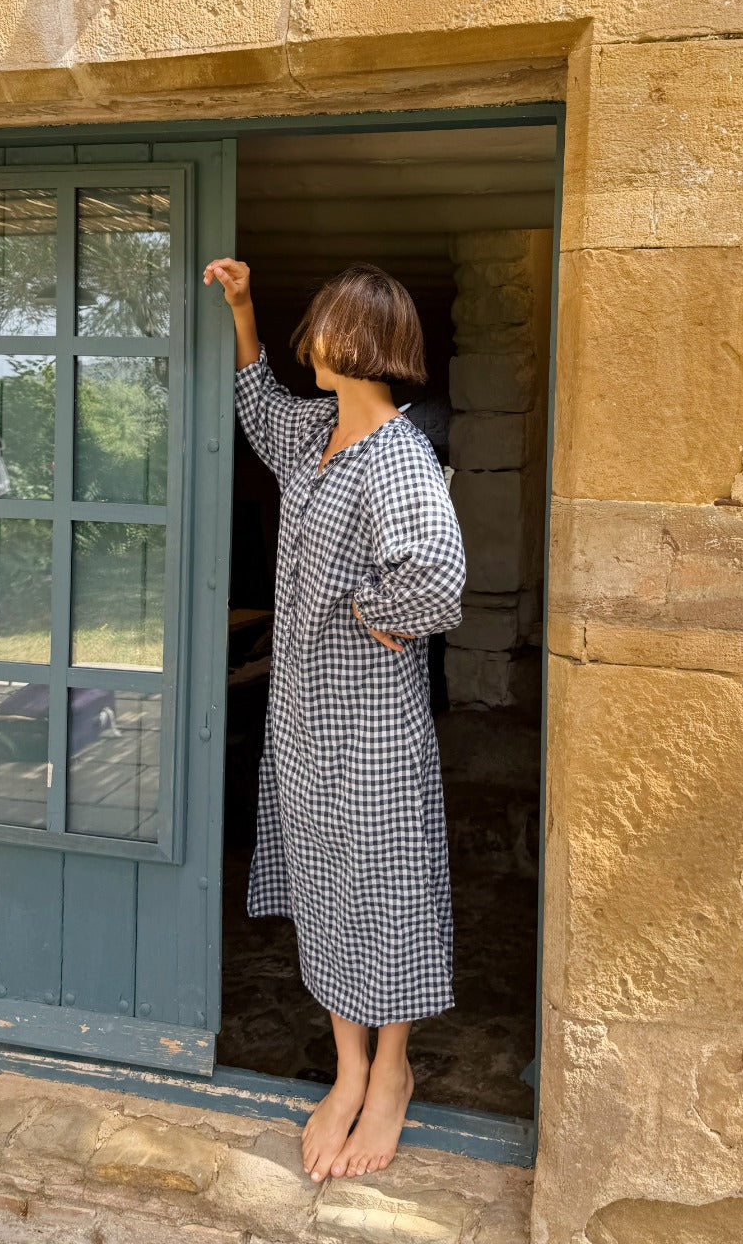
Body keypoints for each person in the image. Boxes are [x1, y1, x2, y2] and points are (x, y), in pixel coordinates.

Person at [203, 257, 466, 1182]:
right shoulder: (318, 430)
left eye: (317, 330)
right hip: (303, 722)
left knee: (386, 893)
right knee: (323, 889)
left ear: (351, 342)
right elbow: (260, 408)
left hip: (372, 729)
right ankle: (347, 1069)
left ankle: (391, 1073)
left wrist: (363, 607)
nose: (308, 345)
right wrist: (243, 311)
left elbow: (438, 577)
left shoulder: (396, 455)